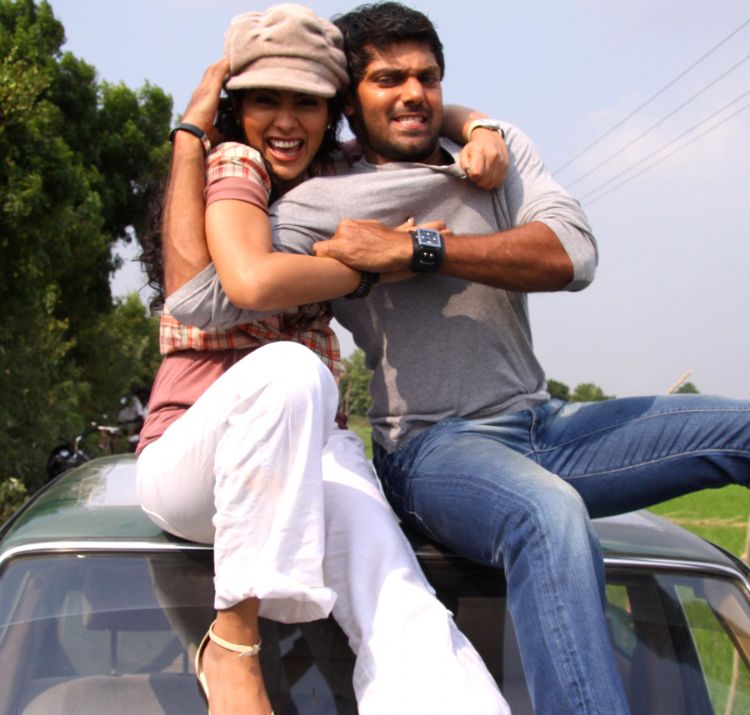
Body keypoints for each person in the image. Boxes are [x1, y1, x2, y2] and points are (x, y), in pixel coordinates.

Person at [167, 2, 750, 713]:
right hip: (432, 448)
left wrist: (419, 244)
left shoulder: (495, 154)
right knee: (549, 516)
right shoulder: (319, 201)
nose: (413, 93)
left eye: (427, 78)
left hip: (544, 425)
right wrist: (192, 133)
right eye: (388, 79)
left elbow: (573, 255)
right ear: (348, 101)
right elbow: (202, 298)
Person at [137, 4, 511, 715]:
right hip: (192, 462)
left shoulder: (336, 173)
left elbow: (414, 118)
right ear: (236, 108)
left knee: (401, 602)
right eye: (265, 100)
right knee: (291, 369)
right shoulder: (235, 163)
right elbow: (242, 285)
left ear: (332, 110)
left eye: (306, 102)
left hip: (310, 456)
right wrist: (375, 264)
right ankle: (233, 639)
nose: (286, 121)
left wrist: (479, 126)